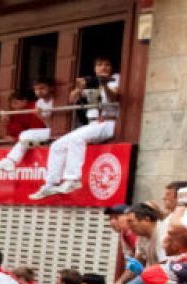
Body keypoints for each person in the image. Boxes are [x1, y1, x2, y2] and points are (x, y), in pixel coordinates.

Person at [31, 57, 122, 199]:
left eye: (107, 64)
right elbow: (72, 98)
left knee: (77, 138)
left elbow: (114, 98)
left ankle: (72, 179)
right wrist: (80, 87)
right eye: (99, 65)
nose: (103, 67)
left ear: (111, 67)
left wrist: (104, 85)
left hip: (111, 123)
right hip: (94, 123)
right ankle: (50, 184)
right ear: (95, 68)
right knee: (57, 145)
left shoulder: (116, 79)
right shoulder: (92, 81)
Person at [0, 82, 53, 171]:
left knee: (26, 135)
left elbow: (36, 128)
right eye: (12, 103)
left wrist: (15, 138)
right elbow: (15, 133)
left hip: (46, 139)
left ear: (24, 101)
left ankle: (10, 161)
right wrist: (7, 122)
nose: (13, 106)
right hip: (31, 141)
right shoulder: (18, 112)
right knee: (25, 137)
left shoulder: (33, 107)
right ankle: (10, 161)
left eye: (16, 102)